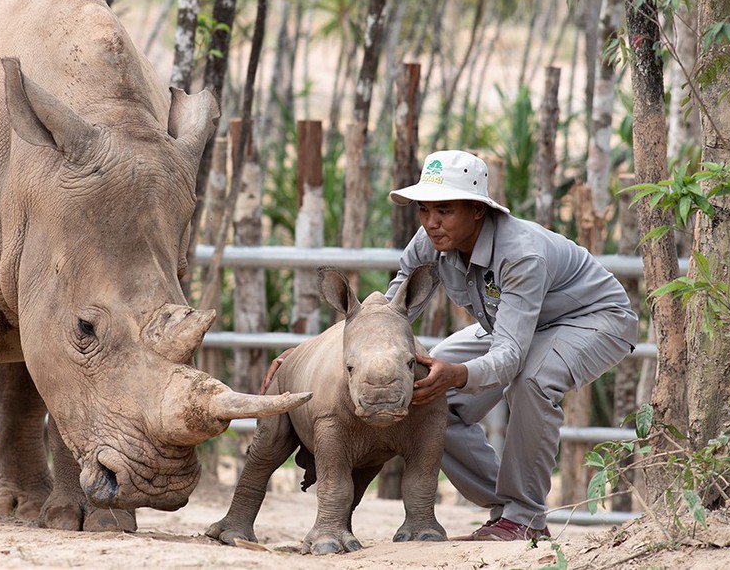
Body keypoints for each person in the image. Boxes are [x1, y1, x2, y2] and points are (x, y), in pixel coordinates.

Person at [262, 149, 638, 542]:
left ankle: (524, 516)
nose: (431, 223)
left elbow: (509, 357)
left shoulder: (521, 254)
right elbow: (386, 317)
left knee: (531, 382)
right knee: (433, 399)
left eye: (444, 210)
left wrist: (457, 374)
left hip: (594, 321)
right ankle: (508, 505)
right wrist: (307, 354)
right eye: (424, 211)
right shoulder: (430, 242)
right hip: (508, 326)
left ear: (478, 210)